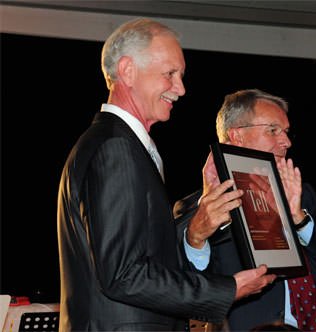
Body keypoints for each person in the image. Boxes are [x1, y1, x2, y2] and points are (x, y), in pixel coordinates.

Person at [57, 19, 275, 331]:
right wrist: (226, 290)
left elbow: (146, 260)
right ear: (128, 70)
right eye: (170, 74)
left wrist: (198, 224)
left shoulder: (121, 144)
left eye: (181, 76)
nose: (181, 88)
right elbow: (122, 275)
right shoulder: (115, 147)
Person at [174, 89, 316, 331]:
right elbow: (184, 284)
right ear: (237, 136)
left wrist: (300, 220)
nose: (287, 142)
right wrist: (198, 232)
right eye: (273, 130)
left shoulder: (300, 193)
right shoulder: (199, 207)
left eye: (285, 132)